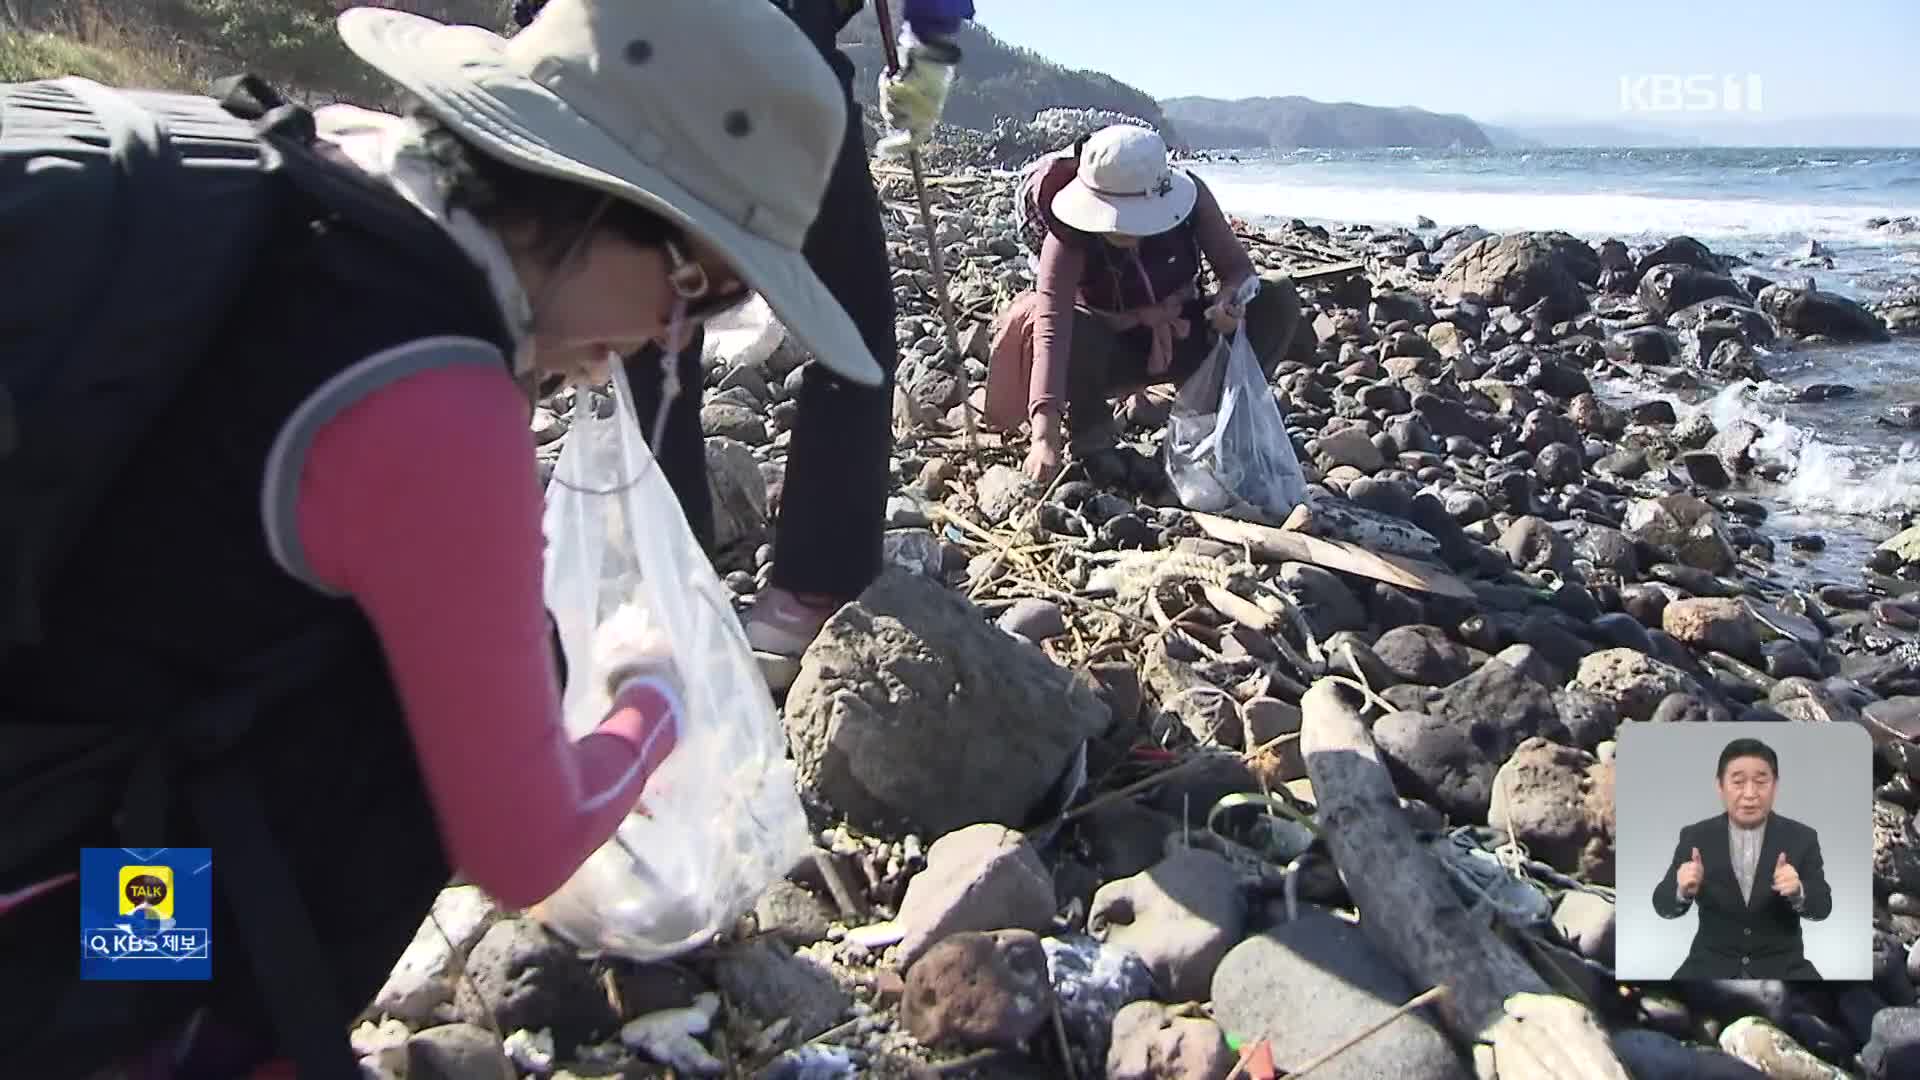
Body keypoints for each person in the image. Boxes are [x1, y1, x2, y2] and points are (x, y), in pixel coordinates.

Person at [0, 1, 868, 1076]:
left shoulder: (324, 165)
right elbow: (522, 844)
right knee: (426, 731)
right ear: (598, 205)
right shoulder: (435, 397)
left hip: (42, 709)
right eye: (701, 285)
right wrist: (655, 699)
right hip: (53, 871)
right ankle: (162, 1032)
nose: (669, 337)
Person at [513, 0, 976, 686]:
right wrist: (928, 58)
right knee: (849, 320)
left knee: (651, 300)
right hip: (780, 66)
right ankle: (810, 584)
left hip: (628, 47)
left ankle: (669, 573)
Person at [983, 124, 1313, 485]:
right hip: (1108, 351)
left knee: (1275, 295)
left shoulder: (1192, 199)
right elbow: (1052, 325)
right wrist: (1044, 438)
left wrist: (1229, 301)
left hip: (1186, 334)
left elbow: (1237, 270)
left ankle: (1211, 420)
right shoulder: (1067, 232)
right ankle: (1092, 438)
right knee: (1069, 326)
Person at [1652, 737, 1833, 980]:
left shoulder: (1802, 838)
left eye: (1761, 782)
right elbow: (1663, 905)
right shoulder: (1696, 836)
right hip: (1708, 966)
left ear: (1775, 785)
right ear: (1720, 786)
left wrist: (1798, 891)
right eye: (1738, 782)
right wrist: (1680, 890)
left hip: (1784, 968)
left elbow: (1822, 907)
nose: (1750, 794)